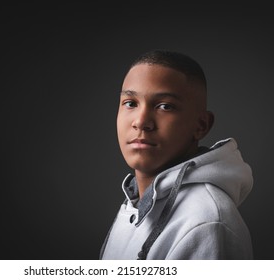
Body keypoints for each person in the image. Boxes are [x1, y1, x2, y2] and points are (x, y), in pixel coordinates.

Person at [99, 49, 253, 260]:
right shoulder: (134, 203)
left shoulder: (205, 223)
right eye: (131, 103)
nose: (141, 121)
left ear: (201, 125)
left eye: (165, 106)